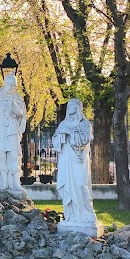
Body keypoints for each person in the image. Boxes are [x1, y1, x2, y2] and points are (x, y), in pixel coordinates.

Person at [53, 98, 97, 236]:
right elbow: (55, 141)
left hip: (79, 159)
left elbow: (84, 140)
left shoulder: (85, 124)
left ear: (78, 107)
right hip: (66, 159)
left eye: (73, 105)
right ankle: (72, 215)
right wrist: (60, 136)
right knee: (69, 188)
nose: (69, 107)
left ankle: (87, 214)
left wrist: (70, 133)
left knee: (80, 185)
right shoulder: (63, 124)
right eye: (69, 105)